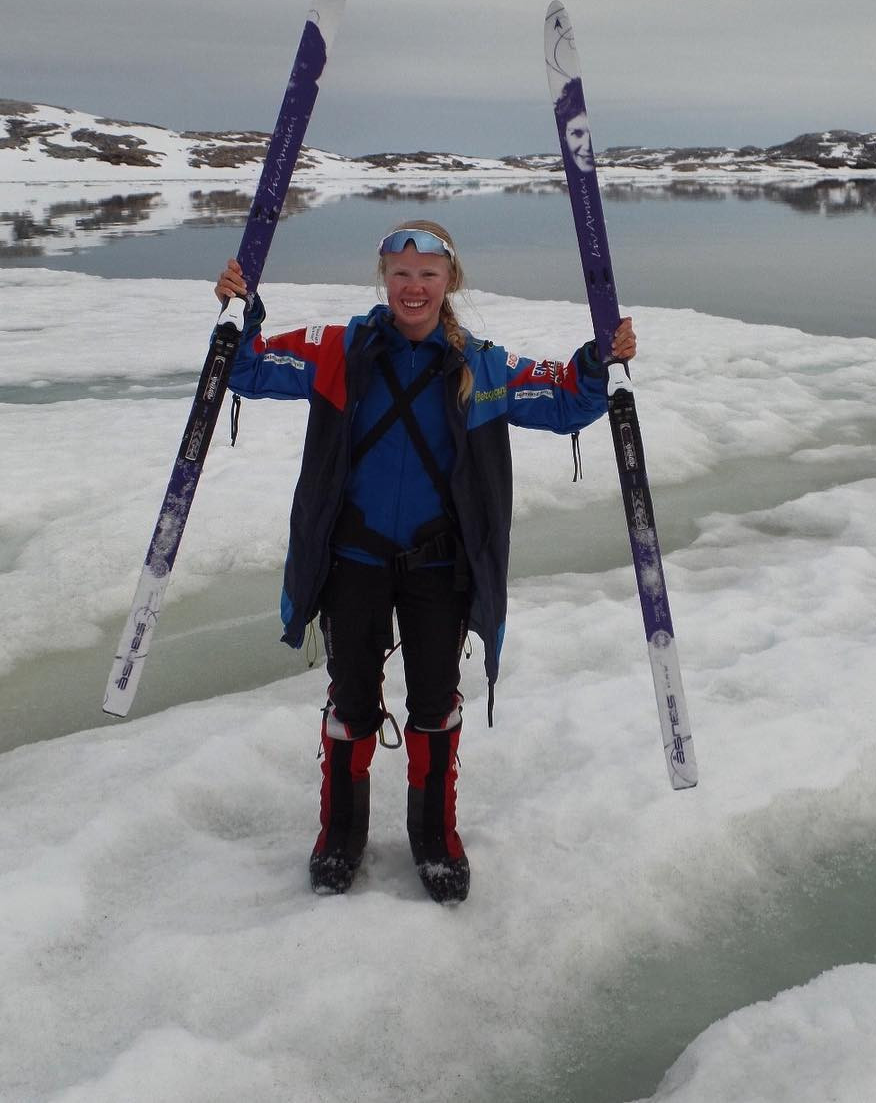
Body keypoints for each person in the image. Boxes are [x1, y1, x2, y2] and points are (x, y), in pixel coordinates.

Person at [215, 220, 635, 903]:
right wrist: (240, 310)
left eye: (428, 275)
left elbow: (564, 401)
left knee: (436, 705)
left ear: (451, 281)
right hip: (354, 558)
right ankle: (340, 835)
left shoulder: (484, 367)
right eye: (401, 273)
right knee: (350, 704)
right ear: (385, 276)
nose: (413, 288)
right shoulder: (338, 350)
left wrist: (597, 363)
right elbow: (246, 367)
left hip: (439, 566)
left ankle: (434, 837)